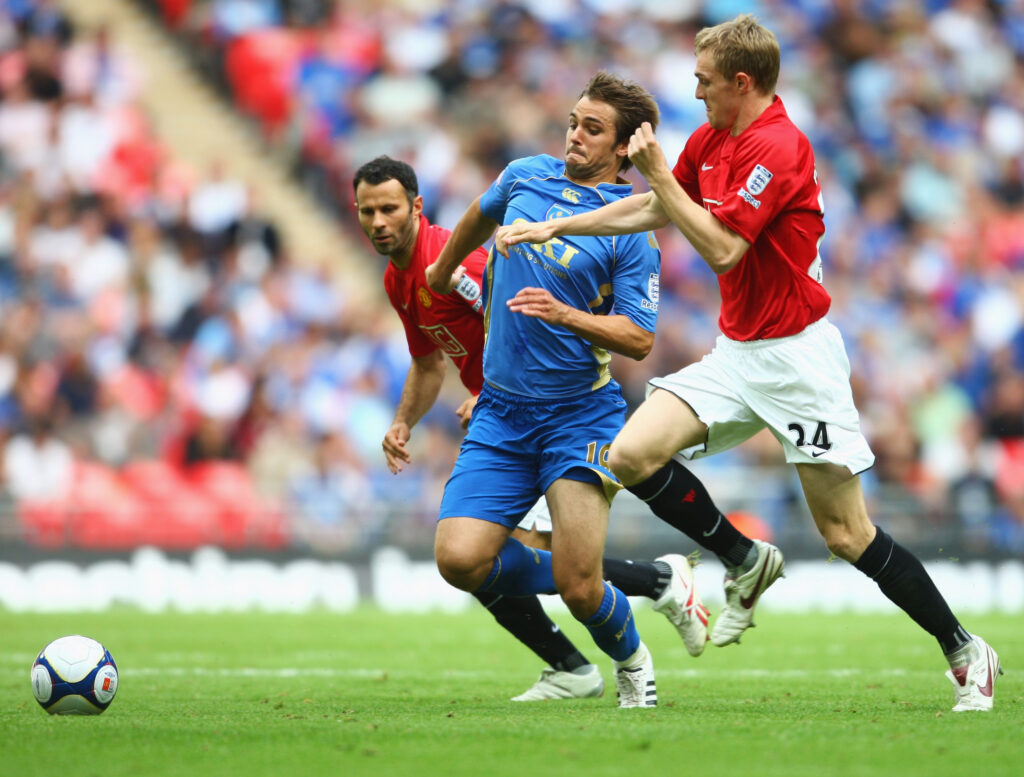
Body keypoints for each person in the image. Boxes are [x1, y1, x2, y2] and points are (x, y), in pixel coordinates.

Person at [496, 14, 1001, 713]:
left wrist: (660, 175)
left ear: (741, 81)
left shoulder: (779, 146)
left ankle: (966, 650)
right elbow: (654, 207)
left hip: (797, 361)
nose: (695, 92)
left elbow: (724, 249)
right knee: (630, 454)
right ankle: (745, 557)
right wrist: (557, 223)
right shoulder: (713, 136)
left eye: (704, 80)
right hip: (737, 352)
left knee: (846, 534)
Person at [352, 153, 708, 705]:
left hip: (547, 410)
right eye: (367, 211)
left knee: (548, 566)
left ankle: (620, 624)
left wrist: (485, 387)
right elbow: (427, 362)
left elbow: (514, 313)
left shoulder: (459, 262)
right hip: (500, 420)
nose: (378, 222)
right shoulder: (399, 279)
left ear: (416, 207)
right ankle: (613, 625)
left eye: (389, 209)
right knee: (480, 559)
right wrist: (403, 421)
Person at [419, 72, 683, 709]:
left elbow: (639, 338)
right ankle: (645, 585)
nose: (575, 136)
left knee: (580, 587)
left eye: (593, 129)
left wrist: (565, 314)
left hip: (579, 416)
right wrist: (443, 268)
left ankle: (632, 660)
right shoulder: (525, 176)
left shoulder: (631, 230)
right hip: (501, 412)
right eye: (573, 122)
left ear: (623, 147)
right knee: (459, 560)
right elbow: (478, 216)